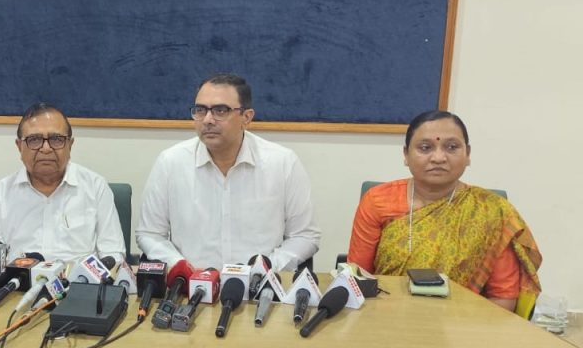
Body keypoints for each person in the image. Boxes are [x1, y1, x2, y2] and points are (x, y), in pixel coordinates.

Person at [346, 110, 542, 316]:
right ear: (406, 155)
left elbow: (502, 297)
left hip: (464, 323)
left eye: (451, 147)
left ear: (468, 154)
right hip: (387, 318)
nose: (438, 157)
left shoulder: (492, 211)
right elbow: (357, 278)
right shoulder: (377, 201)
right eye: (425, 147)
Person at [137, 73, 320, 271]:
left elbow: (305, 236)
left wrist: (267, 268)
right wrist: (179, 266)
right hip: (190, 284)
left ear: (246, 117)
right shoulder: (171, 162)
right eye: (200, 110)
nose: (208, 120)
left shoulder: (282, 163)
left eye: (220, 111)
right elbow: (150, 234)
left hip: (260, 284)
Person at [0, 103, 124, 265]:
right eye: (34, 140)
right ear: (19, 146)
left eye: (56, 139)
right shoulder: (0, 193)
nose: (46, 148)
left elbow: (113, 254)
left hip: (79, 279)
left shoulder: (95, 187)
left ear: (70, 145)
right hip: (18, 279)